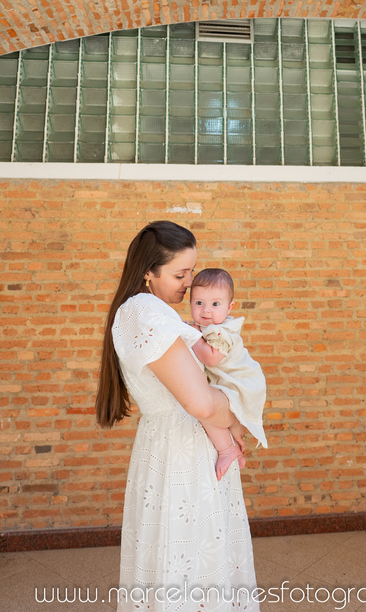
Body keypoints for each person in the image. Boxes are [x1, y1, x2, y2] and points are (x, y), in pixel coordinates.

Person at [96, 221, 259, 612]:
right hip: (182, 451)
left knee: (183, 562)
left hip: (172, 444)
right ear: (148, 273)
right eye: (180, 274)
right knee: (190, 564)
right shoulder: (147, 313)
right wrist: (236, 420)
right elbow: (200, 403)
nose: (189, 284)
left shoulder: (146, 311)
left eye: (191, 271)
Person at [188, 268, 269, 481]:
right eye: (199, 303)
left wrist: (194, 338)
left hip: (241, 382)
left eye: (215, 304)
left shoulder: (221, 331)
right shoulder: (205, 327)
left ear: (229, 307)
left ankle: (227, 450)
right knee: (215, 411)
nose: (206, 310)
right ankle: (237, 450)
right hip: (230, 381)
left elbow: (211, 358)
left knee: (202, 406)